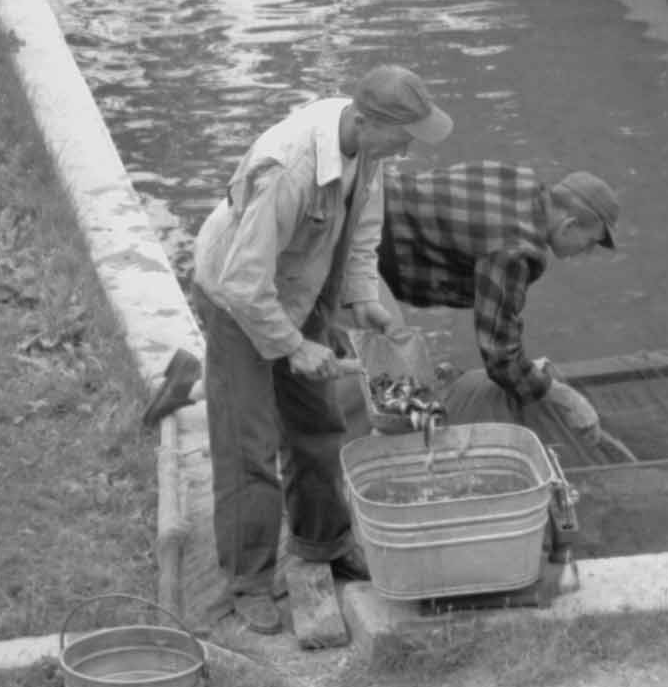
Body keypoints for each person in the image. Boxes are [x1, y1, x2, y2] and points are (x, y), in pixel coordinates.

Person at [188, 65, 454, 635]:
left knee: (317, 425)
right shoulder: (290, 168)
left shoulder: (367, 153)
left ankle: (323, 543)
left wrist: (363, 299)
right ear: (367, 121)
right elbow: (242, 282)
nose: (408, 147)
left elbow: (362, 235)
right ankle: (247, 580)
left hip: (296, 290)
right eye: (404, 135)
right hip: (237, 302)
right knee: (248, 443)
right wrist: (293, 347)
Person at [371, 164, 623, 452]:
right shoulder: (516, 250)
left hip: (372, 190)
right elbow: (501, 358)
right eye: (590, 242)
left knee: (389, 360)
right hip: (361, 246)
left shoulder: (520, 182)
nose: (586, 251)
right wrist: (564, 397)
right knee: (384, 387)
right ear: (569, 225)